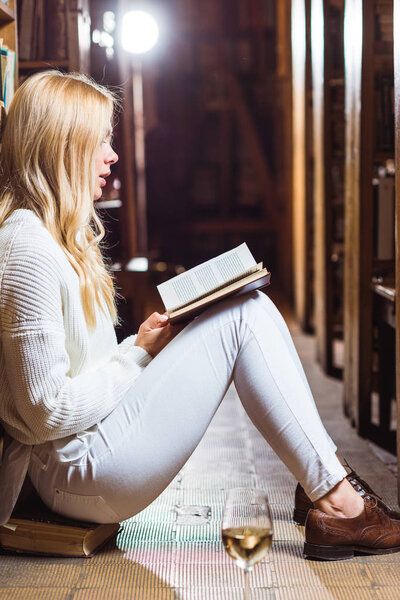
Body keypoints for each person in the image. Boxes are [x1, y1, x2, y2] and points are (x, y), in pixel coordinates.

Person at [0, 71, 399, 562]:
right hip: (73, 472)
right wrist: (139, 357)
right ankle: (339, 500)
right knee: (243, 319)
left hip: (85, 451)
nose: (112, 154)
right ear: (61, 147)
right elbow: (44, 414)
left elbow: (79, 373)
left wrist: (137, 345)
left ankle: (327, 483)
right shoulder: (26, 249)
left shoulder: (58, 236)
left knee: (247, 303)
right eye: (99, 141)